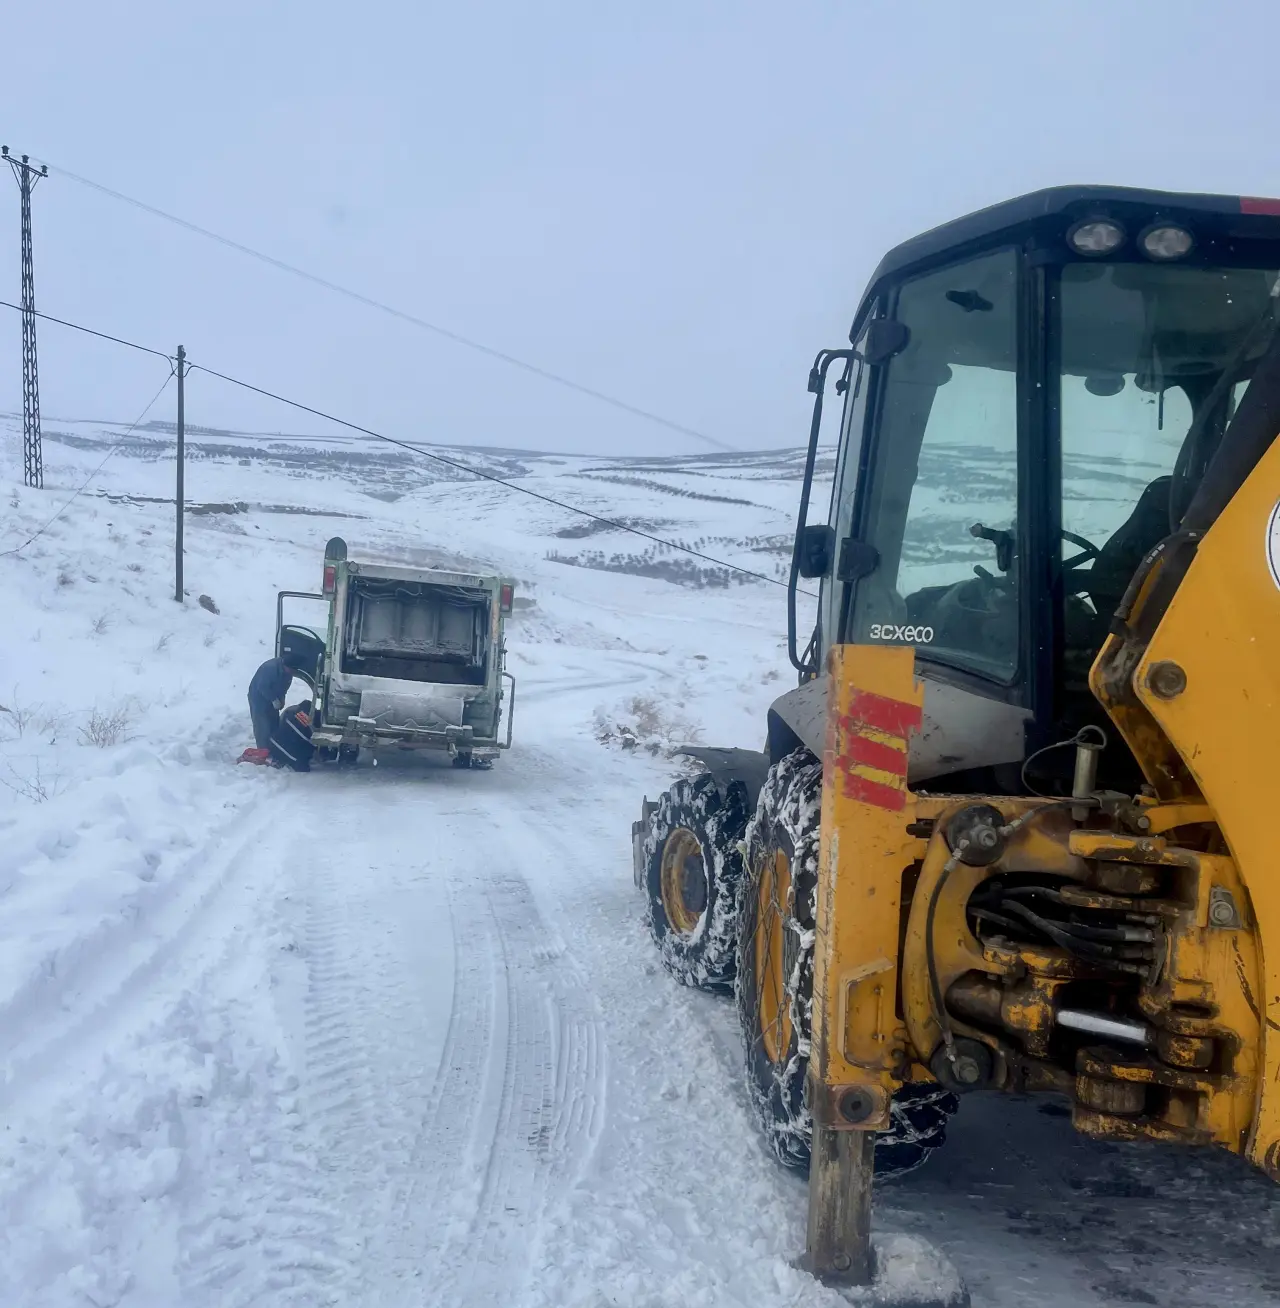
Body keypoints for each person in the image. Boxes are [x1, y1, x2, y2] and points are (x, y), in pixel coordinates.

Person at [248, 655, 298, 750]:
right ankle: (263, 750)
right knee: (262, 726)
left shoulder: (288, 672)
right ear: (285, 665)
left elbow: (284, 687)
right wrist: (274, 699)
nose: (291, 672)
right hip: (258, 698)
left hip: (273, 697)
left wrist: (282, 699)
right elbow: (262, 687)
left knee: (274, 724)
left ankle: (274, 748)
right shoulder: (270, 668)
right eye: (290, 670)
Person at [268, 700, 316, 772]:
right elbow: (310, 739)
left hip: (276, 742)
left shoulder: (292, 712)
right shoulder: (303, 724)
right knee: (302, 766)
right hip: (280, 746)